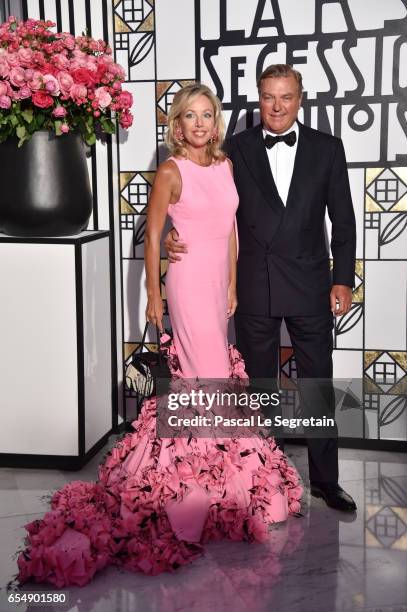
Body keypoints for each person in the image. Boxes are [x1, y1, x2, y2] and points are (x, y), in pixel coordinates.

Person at [16, 83, 302, 588]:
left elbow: (232, 228)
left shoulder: (226, 166)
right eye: (189, 115)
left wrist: (234, 282)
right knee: (208, 377)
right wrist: (153, 293)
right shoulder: (172, 170)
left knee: (208, 376)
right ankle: (200, 486)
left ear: (215, 123)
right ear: (178, 124)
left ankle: (215, 479)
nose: (199, 123)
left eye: (207, 115)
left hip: (218, 286)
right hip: (188, 285)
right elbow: (153, 235)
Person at [165, 65, 357, 513]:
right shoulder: (233, 148)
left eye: (285, 97)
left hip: (310, 282)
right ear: (258, 98)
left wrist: (343, 278)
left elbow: (343, 221)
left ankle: (326, 482)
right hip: (253, 283)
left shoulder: (328, 149)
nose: (276, 106)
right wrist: (173, 235)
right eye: (268, 97)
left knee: (317, 385)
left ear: (300, 99)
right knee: (259, 387)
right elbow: (202, 199)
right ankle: (263, 476)